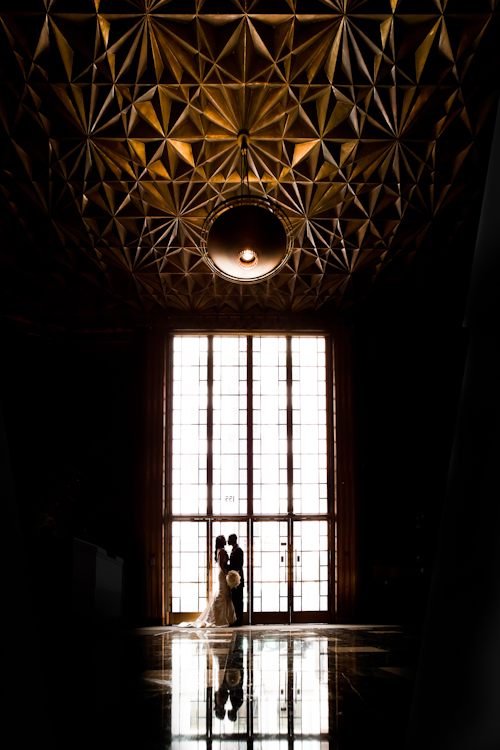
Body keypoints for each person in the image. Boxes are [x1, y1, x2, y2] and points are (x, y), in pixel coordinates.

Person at [182, 535, 236, 628]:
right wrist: (226, 574)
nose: (225, 541)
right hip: (223, 574)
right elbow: (222, 565)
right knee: (223, 594)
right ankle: (220, 618)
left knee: (223, 593)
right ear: (221, 542)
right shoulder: (222, 551)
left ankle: (222, 617)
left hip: (221, 574)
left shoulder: (218, 550)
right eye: (223, 540)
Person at [228, 534, 244, 627]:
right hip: (234, 578)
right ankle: (236, 619)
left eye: (229, 539)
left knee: (238, 600)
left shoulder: (238, 550)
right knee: (235, 599)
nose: (228, 541)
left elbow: (238, 565)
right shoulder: (234, 549)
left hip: (237, 579)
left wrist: (229, 569)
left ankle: (239, 620)